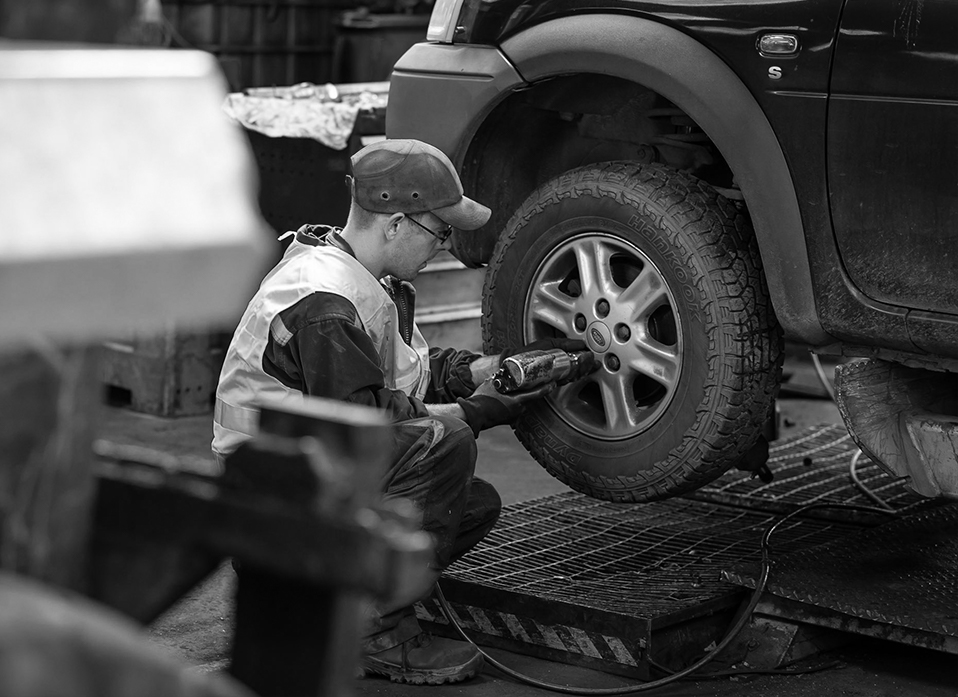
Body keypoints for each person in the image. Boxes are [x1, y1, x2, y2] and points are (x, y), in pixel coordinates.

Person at [212, 139, 584, 685]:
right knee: (445, 444)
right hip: (273, 490)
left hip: (307, 473)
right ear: (395, 224)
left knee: (471, 503)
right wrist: (475, 413)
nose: (445, 244)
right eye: (440, 231)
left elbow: (404, 372)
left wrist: (488, 370)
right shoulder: (322, 300)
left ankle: (339, 601)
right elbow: (364, 416)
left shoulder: (363, 280)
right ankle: (371, 630)